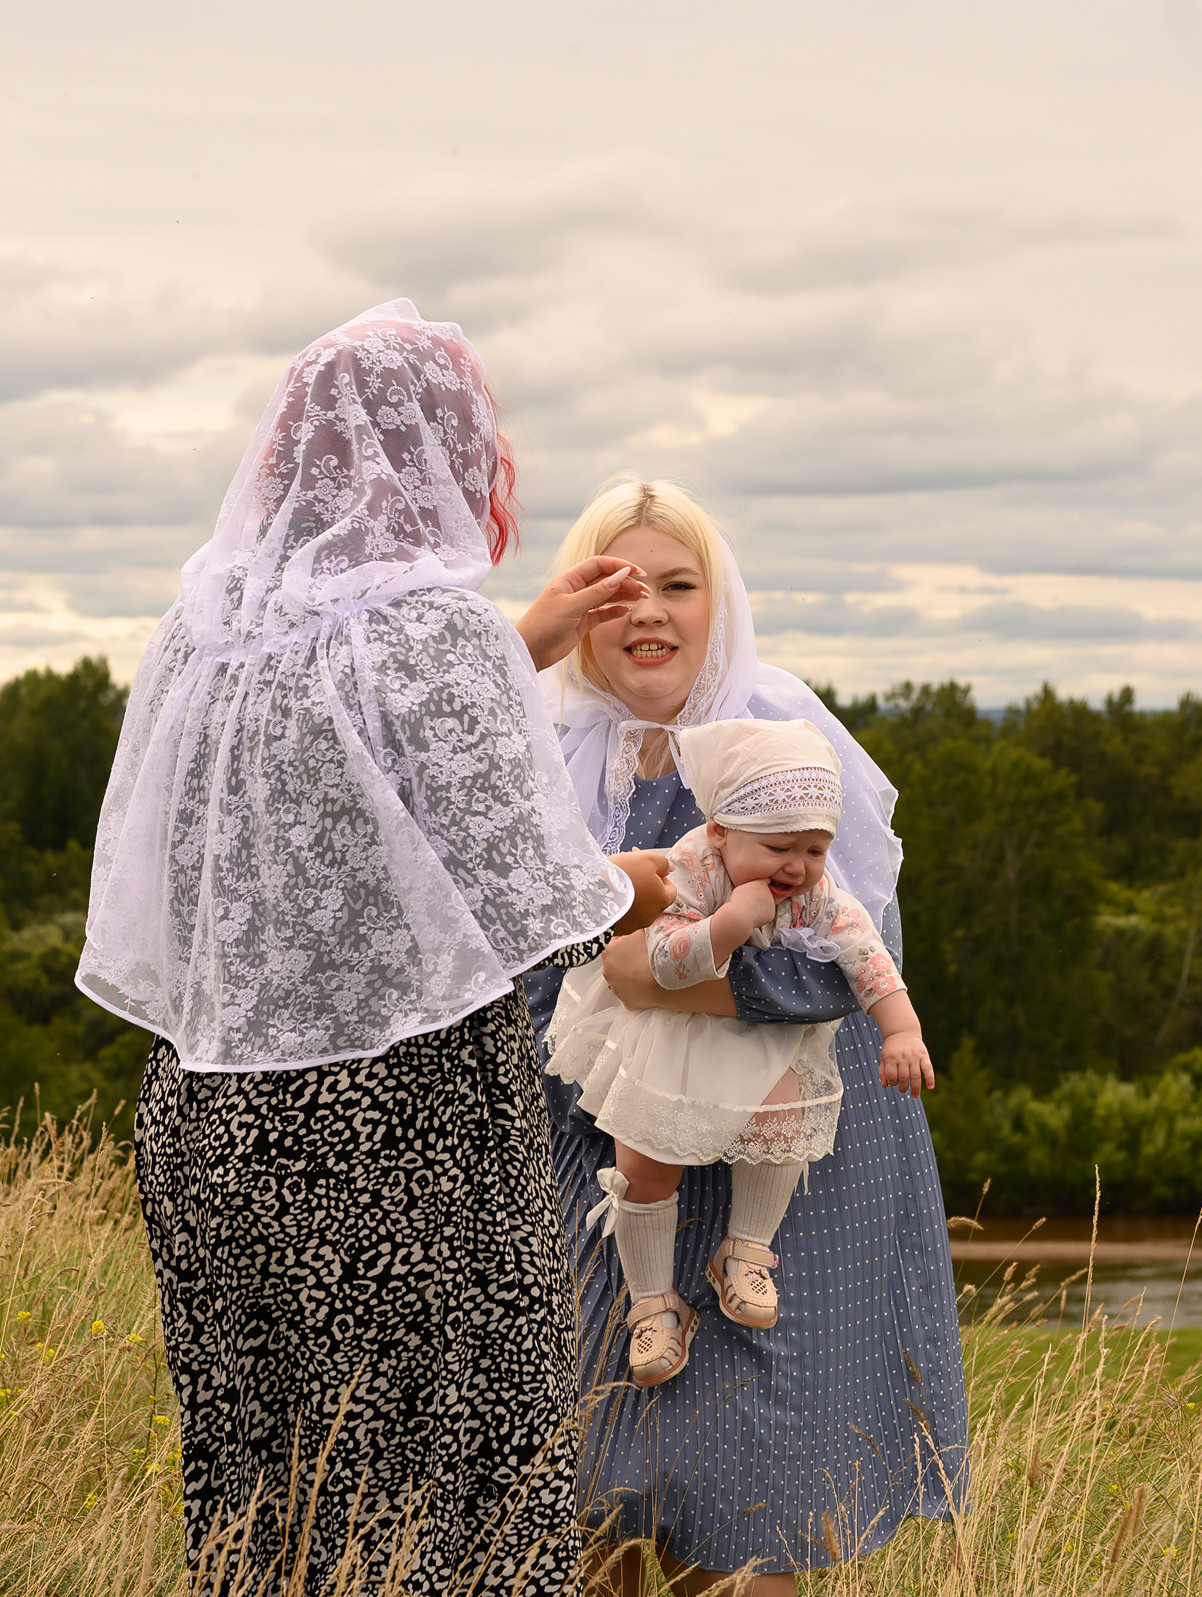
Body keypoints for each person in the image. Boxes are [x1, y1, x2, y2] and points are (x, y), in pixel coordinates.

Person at [78, 302, 673, 1594]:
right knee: (447, 1483)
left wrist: (525, 641)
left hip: (207, 1120)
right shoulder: (430, 631)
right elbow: (542, 897)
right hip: (396, 1124)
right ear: (449, 453)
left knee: (269, 1483)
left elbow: (323, 793)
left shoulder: (211, 626)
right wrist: (652, 879)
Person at [523, 478, 969, 1594]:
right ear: (575, 610)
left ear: (718, 603)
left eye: (679, 586)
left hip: (778, 1159)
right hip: (609, 1148)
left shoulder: (783, 733)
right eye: (618, 589)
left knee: (749, 1503)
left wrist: (659, 980)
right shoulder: (550, 752)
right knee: (601, 1493)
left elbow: (848, 955)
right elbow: (515, 967)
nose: (651, 614)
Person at [544, 717, 934, 1390]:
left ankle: (746, 1249)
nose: (800, 866)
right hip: (673, 1039)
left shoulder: (813, 889)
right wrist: (727, 923)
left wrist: (901, 1029)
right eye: (782, 846)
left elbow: (864, 951)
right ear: (722, 829)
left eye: (816, 849)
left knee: (785, 1119)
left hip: (758, 1037)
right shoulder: (689, 867)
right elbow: (662, 961)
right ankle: (653, 1303)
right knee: (643, 1163)